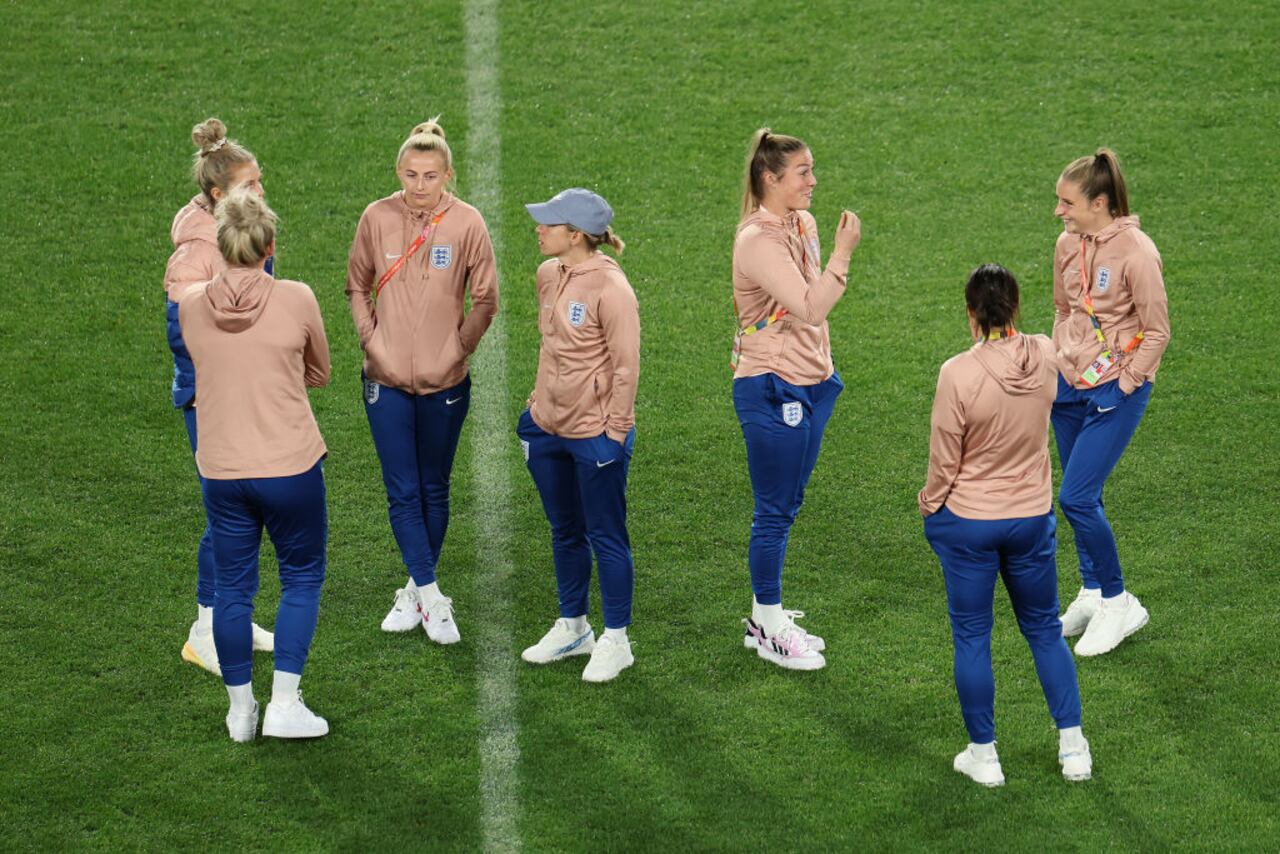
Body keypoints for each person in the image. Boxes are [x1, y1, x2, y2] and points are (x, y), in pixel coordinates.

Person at [921, 264, 1091, 787]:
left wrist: (930, 505)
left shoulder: (958, 372)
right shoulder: (1044, 354)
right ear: (1016, 307)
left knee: (973, 636)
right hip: (1030, 519)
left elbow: (945, 461)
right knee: (1043, 631)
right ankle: (1074, 749)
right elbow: (1079, 358)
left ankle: (985, 756)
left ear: (970, 313)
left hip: (971, 521)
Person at [179, 189, 331, 741]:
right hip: (289, 465)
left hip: (222, 470)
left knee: (232, 589)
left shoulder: (193, 303)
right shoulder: (296, 297)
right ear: (270, 246)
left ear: (221, 247)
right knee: (302, 577)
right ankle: (284, 704)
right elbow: (320, 371)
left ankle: (240, 713)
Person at [346, 118, 499, 643]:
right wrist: (373, 342)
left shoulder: (468, 224)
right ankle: (434, 600)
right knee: (403, 490)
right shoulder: (376, 217)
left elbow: (487, 298)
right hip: (384, 381)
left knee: (435, 487)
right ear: (398, 172)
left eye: (430, 176)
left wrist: (457, 347)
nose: (419, 185)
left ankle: (415, 590)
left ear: (448, 176)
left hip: (446, 381)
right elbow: (355, 286)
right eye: (410, 174)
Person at [732, 128, 860, 671]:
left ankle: (770, 614)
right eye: (803, 172)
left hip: (812, 380)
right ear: (770, 179)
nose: (813, 180)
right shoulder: (756, 240)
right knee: (774, 511)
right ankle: (767, 621)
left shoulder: (800, 223)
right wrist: (844, 255)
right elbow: (811, 307)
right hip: (772, 383)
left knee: (790, 502)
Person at [516, 188, 639, 683]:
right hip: (546, 428)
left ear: (576, 235)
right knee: (564, 529)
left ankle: (617, 639)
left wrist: (615, 433)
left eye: (549, 223)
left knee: (605, 535)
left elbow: (627, 368)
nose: (539, 228)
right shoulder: (549, 274)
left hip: (595, 436)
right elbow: (553, 349)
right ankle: (573, 626)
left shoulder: (613, 290)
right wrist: (534, 405)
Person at [164, 118, 274, 675]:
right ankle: (204, 629)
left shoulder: (242, 227)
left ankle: (233, 614)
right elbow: (181, 325)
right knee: (226, 514)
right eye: (249, 185)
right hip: (211, 399)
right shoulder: (197, 243)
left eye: (258, 180)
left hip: (242, 390)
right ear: (216, 194)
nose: (259, 190)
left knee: (245, 511)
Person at [1051, 149, 1170, 656]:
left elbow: (1158, 332)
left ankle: (1120, 603)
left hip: (1115, 389)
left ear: (1099, 203)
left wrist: (1124, 386)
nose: (1059, 211)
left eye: (1067, 202)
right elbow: (1062, 307)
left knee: (1076, 497)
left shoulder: (1138, 252)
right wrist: (1060, 357)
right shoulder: (1066, 243)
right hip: (1069, 385)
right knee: (1083, 497)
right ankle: (1092, 589)